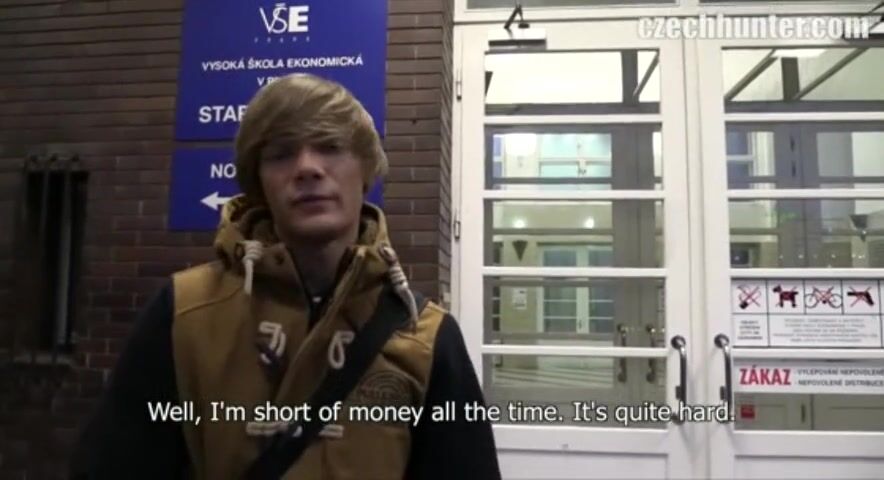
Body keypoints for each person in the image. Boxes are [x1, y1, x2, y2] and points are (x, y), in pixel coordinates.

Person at [70, 73, 501, 479]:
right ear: (258, 182)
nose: (307, 167)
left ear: (366, 171)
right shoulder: (185, 312)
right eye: (281, 154)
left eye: (330, 146)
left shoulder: (424, 336)